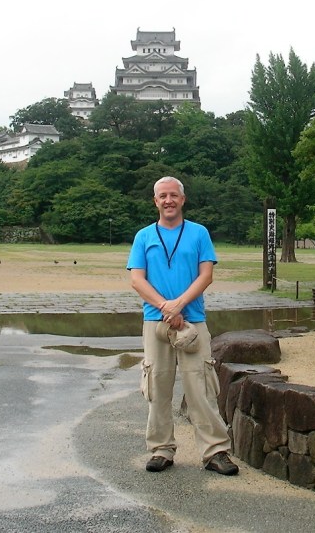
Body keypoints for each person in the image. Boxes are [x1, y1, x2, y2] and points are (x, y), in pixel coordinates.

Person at [127, 176, 239, 475]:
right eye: (162, 196)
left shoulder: (199, 233)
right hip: (156, 322)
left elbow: (206, 276)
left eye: (173, 195)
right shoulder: (144, 236)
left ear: (182, 199)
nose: (168, 200)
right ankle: (161, 449)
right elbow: (137, 279)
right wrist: (166, 306)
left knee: (201, 388)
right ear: (155, 201)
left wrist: (179, 305)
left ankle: (215, 452)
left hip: (193, 321)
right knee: (157, 388)